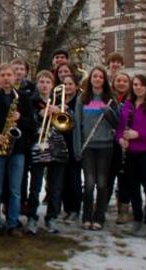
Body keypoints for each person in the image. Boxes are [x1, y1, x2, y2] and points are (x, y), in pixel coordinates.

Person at [0, 64, 34, 238]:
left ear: (14, 77)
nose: (5, 78)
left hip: (17, 149)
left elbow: (32, 125)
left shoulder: (24, 98)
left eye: (8, 74)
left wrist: (21, 118)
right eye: (2, 75)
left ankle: (12, 223)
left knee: (15, 190)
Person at [116, 74, 146, 237]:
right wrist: (120, 139)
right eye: (135, 84)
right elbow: (120, 128)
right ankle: (137, 219)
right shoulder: (128, 105)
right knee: (133, 188)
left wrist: (139, 134)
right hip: (130, 152)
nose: (138, 87)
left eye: (141, 85)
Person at [24, 70, 69, 235]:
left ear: (53, 85)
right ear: (37, 84)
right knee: (35, 186)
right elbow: (27, 124)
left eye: (48, 82)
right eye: (41, 82)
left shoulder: (60, 101)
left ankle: (52, 217)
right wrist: (39, 114)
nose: (44, 85)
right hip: (38, 147)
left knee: (55, 187)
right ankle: (32, 217)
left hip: (57, 148)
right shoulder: (31, 102)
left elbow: (67, 126)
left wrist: (60, 112)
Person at [74, 67, 118, 230]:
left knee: (101, 183)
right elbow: (78, 123)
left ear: (104, 80)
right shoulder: (83, 98)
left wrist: (108, 111)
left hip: (105, 146)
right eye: (95, 76)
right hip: (88, 146)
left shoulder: (110, 98)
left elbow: (117, 123)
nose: (97, 79)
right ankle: (86, 216)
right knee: (90, 183)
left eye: (101, 77)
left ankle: (99, 217)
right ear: (90, 79)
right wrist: (77, 146)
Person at [59, 74, 83, 224]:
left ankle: (75, 209)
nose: (67, 87)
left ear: (76, 86)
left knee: (74, 178)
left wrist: (70, 113)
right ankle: (66, 208)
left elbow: (80, 122)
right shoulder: (59, 100)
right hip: (60, 143)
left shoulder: (79, 101)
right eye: (65, 84)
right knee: (63, 179)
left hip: (73, 143)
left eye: (70, 84)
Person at [110, 72, 133, 224]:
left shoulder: (133, 100)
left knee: (125, 178)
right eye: (118, 80)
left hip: (128, 143)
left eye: (125, 81)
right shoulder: (108, 98)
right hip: (110, 143)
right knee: (108, 175)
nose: (121, 83)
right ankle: (101, 204)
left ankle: (123, 209)